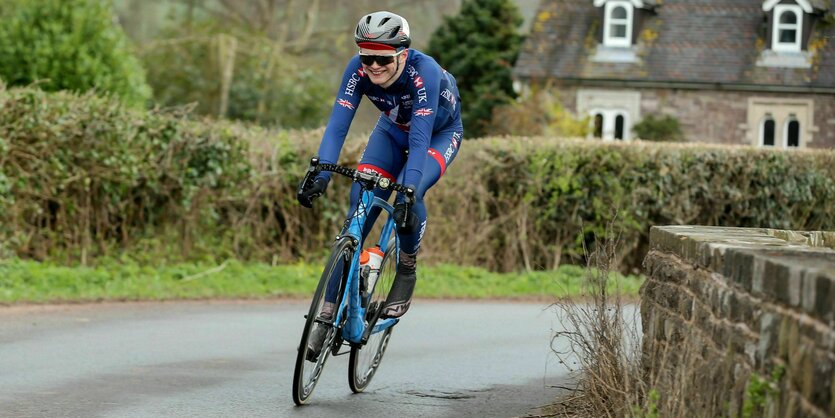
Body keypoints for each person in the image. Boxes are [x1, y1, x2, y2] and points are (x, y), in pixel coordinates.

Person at [297, 10, 463, 357]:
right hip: (390, 132)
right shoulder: (356, 70)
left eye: (382, 59)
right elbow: (337, 127)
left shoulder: (425, 73)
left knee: (408, 191)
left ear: (402, 53)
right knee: (356, 218)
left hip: (435, 135)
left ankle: (407, 266)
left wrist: (407, 192)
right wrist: (322, 173)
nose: (373, 66)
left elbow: (418, 142)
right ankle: (326, 314)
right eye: (366, 56)